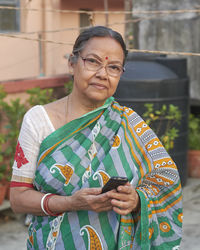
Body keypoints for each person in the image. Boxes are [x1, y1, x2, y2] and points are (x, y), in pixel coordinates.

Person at [10, 26, 182, 250]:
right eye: (92, 61)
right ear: (72, 63)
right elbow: (18, 198)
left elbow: (167, 176)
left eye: (114, 67)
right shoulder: (38, 120)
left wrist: (137, 199)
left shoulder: (129, 122)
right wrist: (70, 203)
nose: (103, 73)